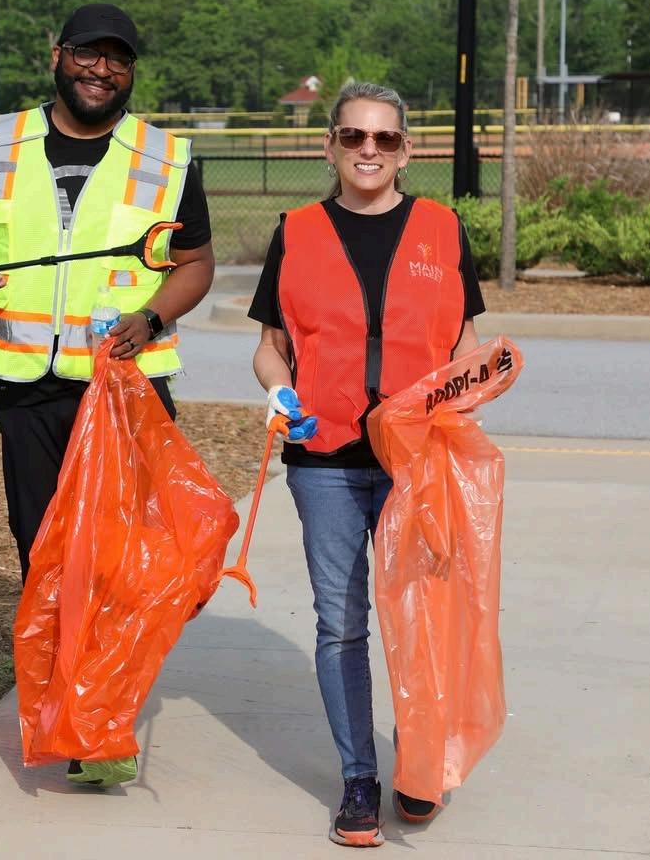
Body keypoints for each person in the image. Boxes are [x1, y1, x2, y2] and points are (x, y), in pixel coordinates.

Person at [0, 3, 215, 788]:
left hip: (123, 390)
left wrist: (152, 316)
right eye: (89, 53)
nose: (102, 70)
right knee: (42, 552)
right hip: (27, 388)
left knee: (120, 560)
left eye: (118, 59)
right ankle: (70, 701)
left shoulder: (165, 157)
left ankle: (99, 723)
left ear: (131, 72)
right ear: (57, 55)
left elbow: (195, 263)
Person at [248, 81, 485, 847]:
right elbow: (270, 348)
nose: (368, 150)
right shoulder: (296, 233)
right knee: (342, 625)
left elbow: (466, 348)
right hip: (324, 461)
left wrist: (461, 407)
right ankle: (359, 779)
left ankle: (420, 763)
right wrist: (279, 391)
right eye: (353, 136)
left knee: (420, 621)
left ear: (406, 151)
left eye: (384, 138)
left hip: (417, 461)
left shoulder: (443, 229)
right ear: (331, 147)